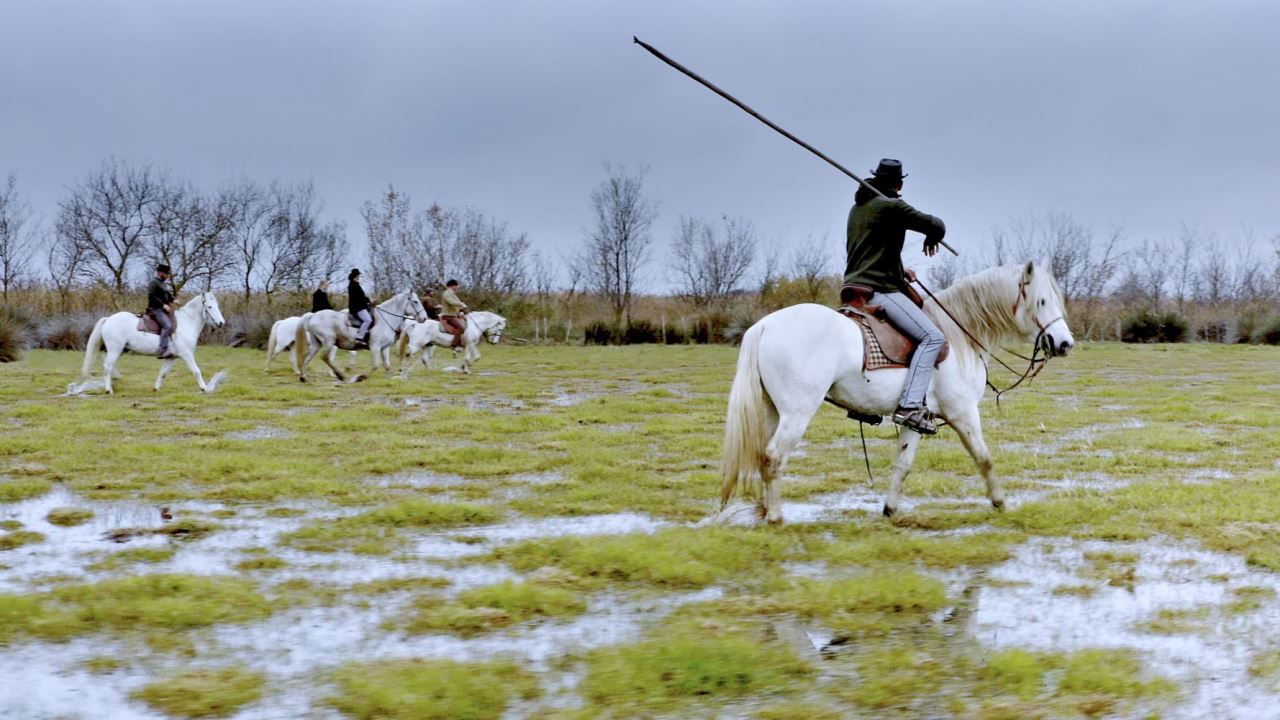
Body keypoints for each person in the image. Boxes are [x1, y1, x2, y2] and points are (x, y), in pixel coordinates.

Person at [844, 158, 947, 435]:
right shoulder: (891, 206)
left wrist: (901, 270)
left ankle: (861, 402)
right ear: (899, 184)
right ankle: (910, 406)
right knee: (933, 338)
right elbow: (935, 223)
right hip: (879, 289)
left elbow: (874, 252)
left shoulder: (858, 208)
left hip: (853, 288)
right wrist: (932, 236)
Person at [147, 263, 176, 359]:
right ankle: (162, 350)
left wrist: (174, 300)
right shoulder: (153, 283)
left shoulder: (163, 284)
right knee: (167, 326)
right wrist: (163, 305)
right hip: (156, 309)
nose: (167, 276)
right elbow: (151, 296)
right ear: (161, 273)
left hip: (164, 309)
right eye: (166, 274)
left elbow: (167, 295)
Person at [439, 279, 469, 349]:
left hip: (454, 315)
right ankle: (454, 345)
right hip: (448, 315)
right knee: (461, 328)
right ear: (453, 286)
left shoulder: (452, 293)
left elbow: (455, 305)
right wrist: (461, 304)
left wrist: (460, 309)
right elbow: (451, 302)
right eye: (456, 286)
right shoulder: (446, 293)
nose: (457, 287)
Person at [348, 268, 371, 344]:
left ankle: (367, 335)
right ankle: (359, 337)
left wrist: (369, 300)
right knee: (368, 320)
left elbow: (362, 296)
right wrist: (368, 301)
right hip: (357, 308)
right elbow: (358, 298)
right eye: (358, 275)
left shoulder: (355, 284)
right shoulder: (353, 285)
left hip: (360, 306)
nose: (359, 277)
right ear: (355, 276)